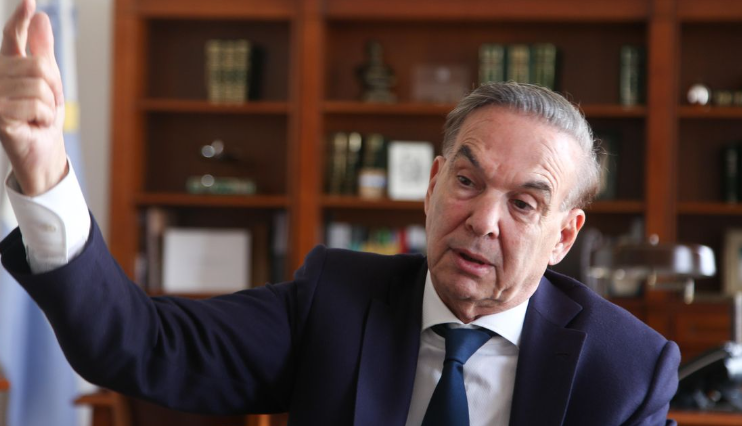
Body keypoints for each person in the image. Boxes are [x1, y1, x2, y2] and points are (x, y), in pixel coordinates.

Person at [0, 1, 679, 425]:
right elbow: (139, 344)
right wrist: (44, 170)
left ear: (563, 236)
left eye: (524, 203)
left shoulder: (624, 368)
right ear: (433, 184)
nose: (482, 220)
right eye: (467, 181)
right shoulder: (336, 301)